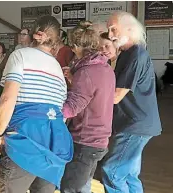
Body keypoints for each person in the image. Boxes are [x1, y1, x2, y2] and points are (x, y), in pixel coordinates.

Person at [0, 16, 73, 192]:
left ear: (35, 34)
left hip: (25, 139)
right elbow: (60, 112)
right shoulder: (58, 69)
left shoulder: (20, 55)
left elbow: (8, 98)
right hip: (53, 144)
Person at [102, 11, 162, 193]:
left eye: (113, 29)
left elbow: (116, 95)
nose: (111, 35)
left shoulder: (136, 54)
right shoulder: (127, 54)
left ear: (129, 28)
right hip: (134, 123)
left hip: (134, 125)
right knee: (128, 174)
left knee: (112, 171)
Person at [59, 21, 115, 193]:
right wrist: (73, 80)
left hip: (85, 140)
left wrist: (49, 109)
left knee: (70, 188)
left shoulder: (86, 72)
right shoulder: (104, 67)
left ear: (76, 46)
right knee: (83, 186)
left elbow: (72, 107)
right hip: (99, 138)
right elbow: (92, 95)